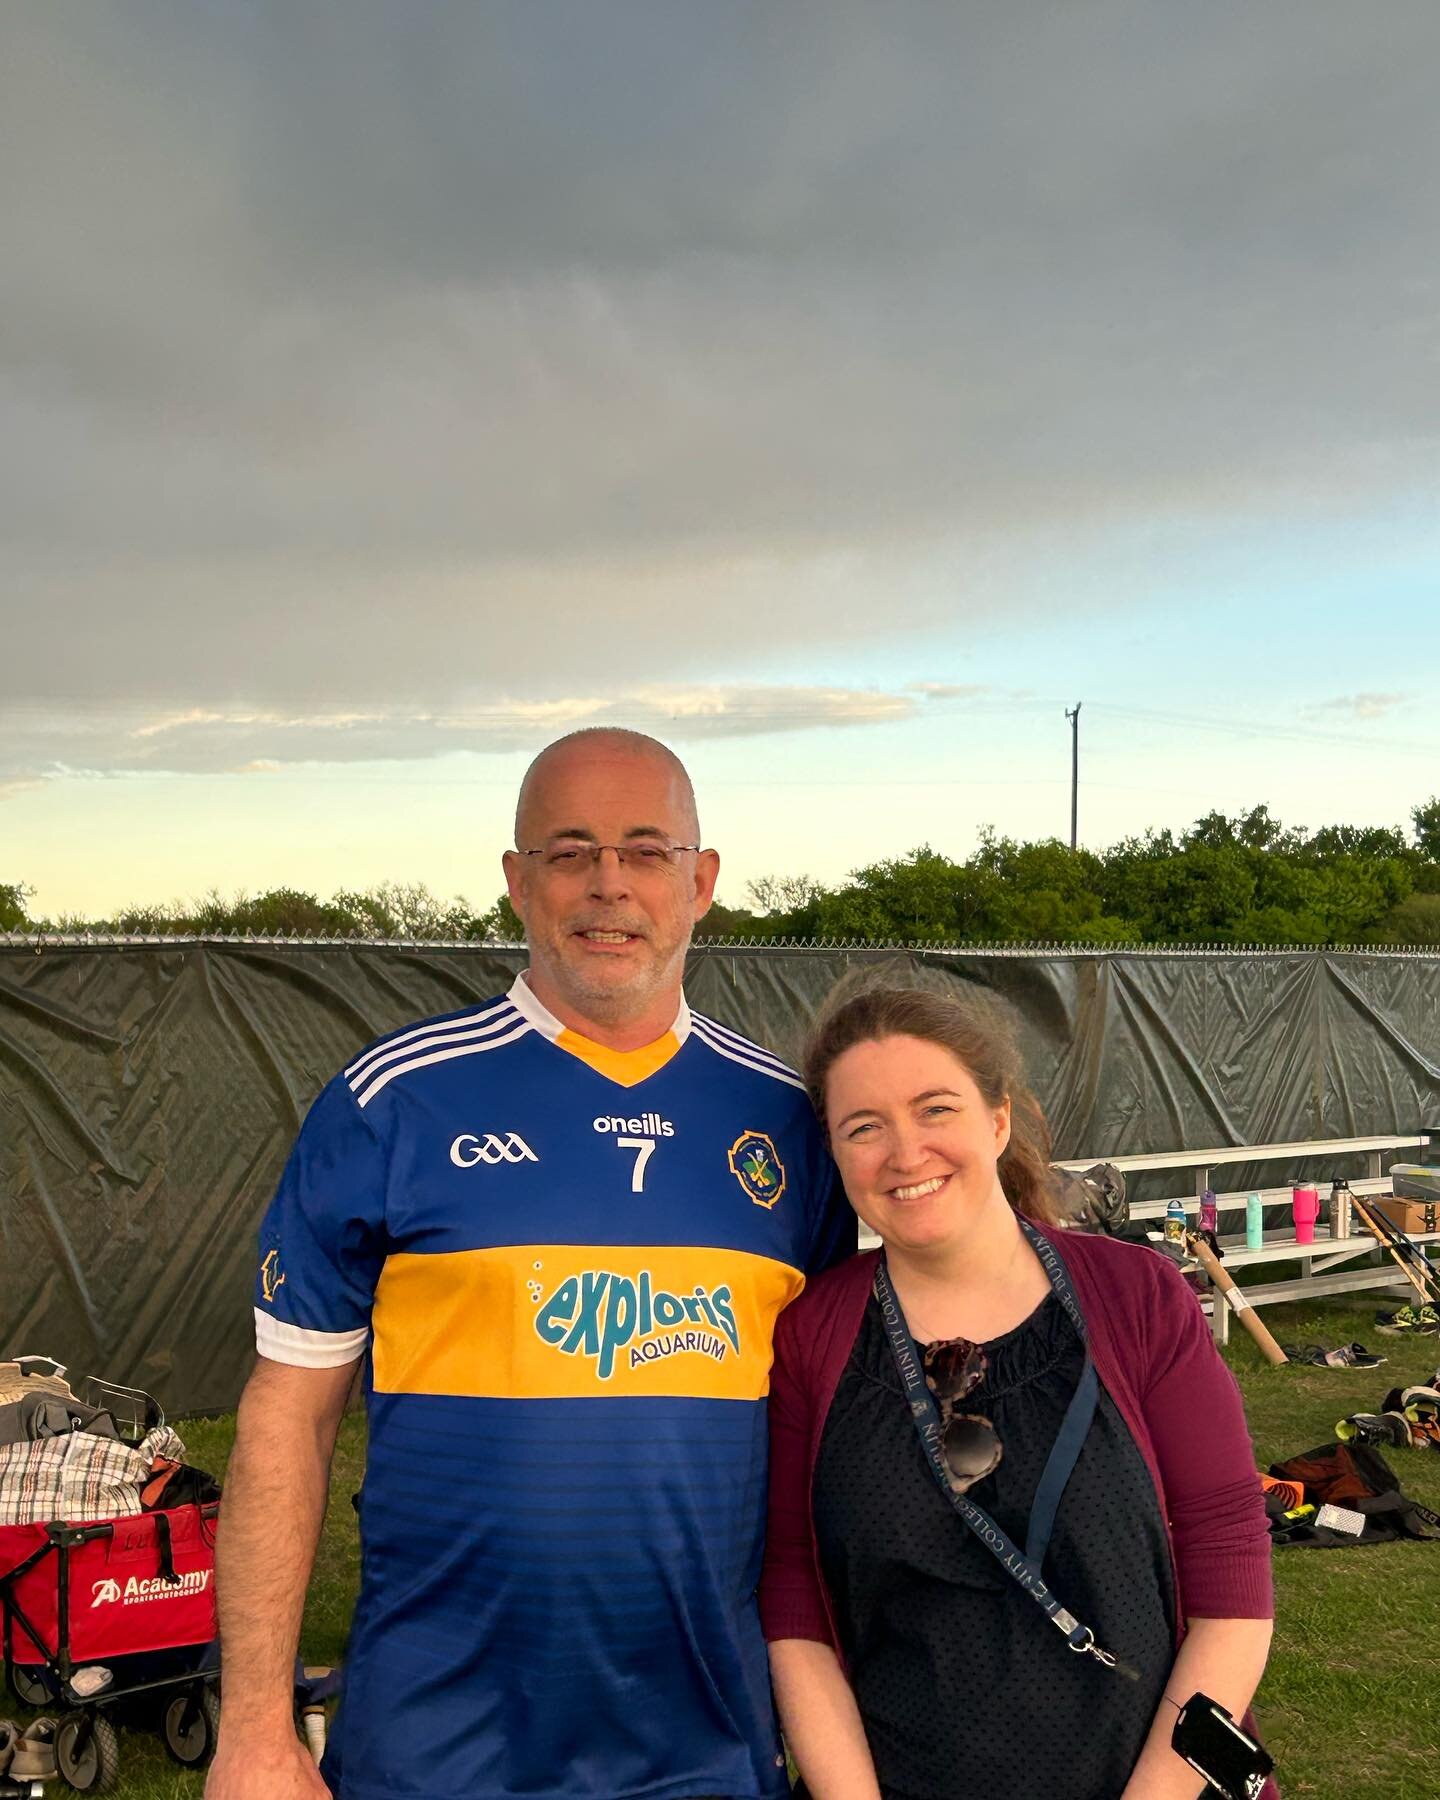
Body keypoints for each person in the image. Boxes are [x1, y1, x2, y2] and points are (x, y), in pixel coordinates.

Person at [207, 728, 853, 1800]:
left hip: (710, 1745)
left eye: (647, 851)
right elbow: (288, 1414)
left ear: (703, 881)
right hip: (441, 1744)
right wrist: (255, 1730)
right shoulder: (392, 1103)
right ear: (517, 882)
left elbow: (834, 1451)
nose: (609, 884)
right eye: (570, 851)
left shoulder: (785, 1121)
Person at [760, 986, 1275, 1800]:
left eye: (936, 1109)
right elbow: (793, 1599)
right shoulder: (811, 1338)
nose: (904, 1152)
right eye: (864, 1127)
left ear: (997, 1119)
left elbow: (1231, 1571)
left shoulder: (1137, 1297)